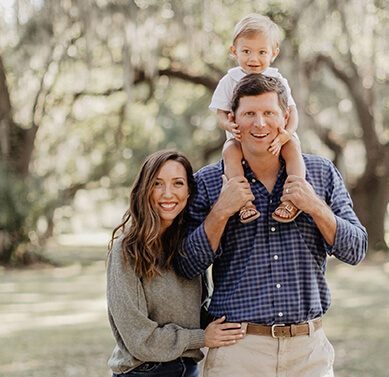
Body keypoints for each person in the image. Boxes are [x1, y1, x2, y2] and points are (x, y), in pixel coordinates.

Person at [177, 74, 368, 376]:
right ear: (233, 121)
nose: (260, 124)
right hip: (238, 352)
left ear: (286, 117)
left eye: (269, 113)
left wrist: (314, 205)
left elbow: (356, 249)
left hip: (308, 352)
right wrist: (220, 212)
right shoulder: (208, 182)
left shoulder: (320, 173)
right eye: (249, 114)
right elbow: (186, 265)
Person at [106, 150, 244, 377]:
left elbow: (199, 312)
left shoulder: (188, 247)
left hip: (187, 369)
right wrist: (201, 337)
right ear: (144, 189)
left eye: (178, 183)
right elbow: (138, 338)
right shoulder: (126, 250)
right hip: (143, 371)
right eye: (157, 184)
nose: (167, 194)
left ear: (189, 191)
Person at [210, 13, 306, 224]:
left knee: (293, 148)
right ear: (234, 51)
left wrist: (286, 134)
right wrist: (230, 126)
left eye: (262, 52)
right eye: (246, 51)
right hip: (242, 138)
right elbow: (220, 113)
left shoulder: (278, 79)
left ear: (273, 53)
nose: (254, 59)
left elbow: (293, 111)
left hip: (278, 136)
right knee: (229, 151)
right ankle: (244, 203)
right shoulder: (229, 80)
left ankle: (293, 198)